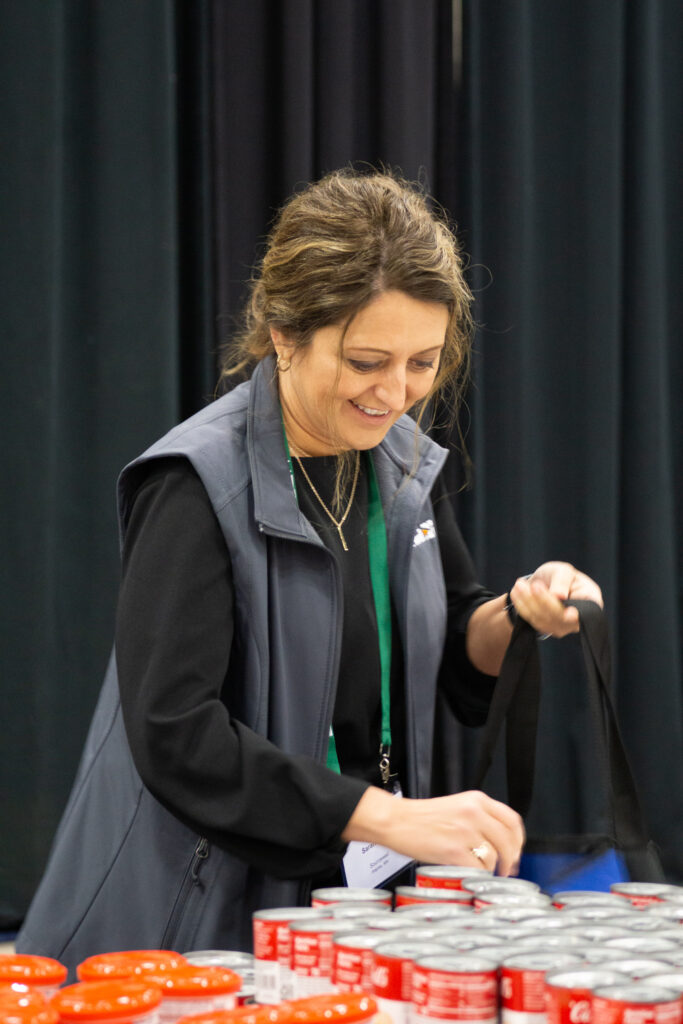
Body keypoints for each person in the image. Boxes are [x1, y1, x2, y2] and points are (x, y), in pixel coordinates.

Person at [17, 169, 602, 972]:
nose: (394, 394)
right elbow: (176, 736)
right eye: (367, 360)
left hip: (345, 904)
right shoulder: (195, 484)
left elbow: (453, 642)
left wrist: (521, 612)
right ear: (284, 334)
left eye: (423, 363)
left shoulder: (392, 464)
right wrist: (384, 817)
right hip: (198, 925)